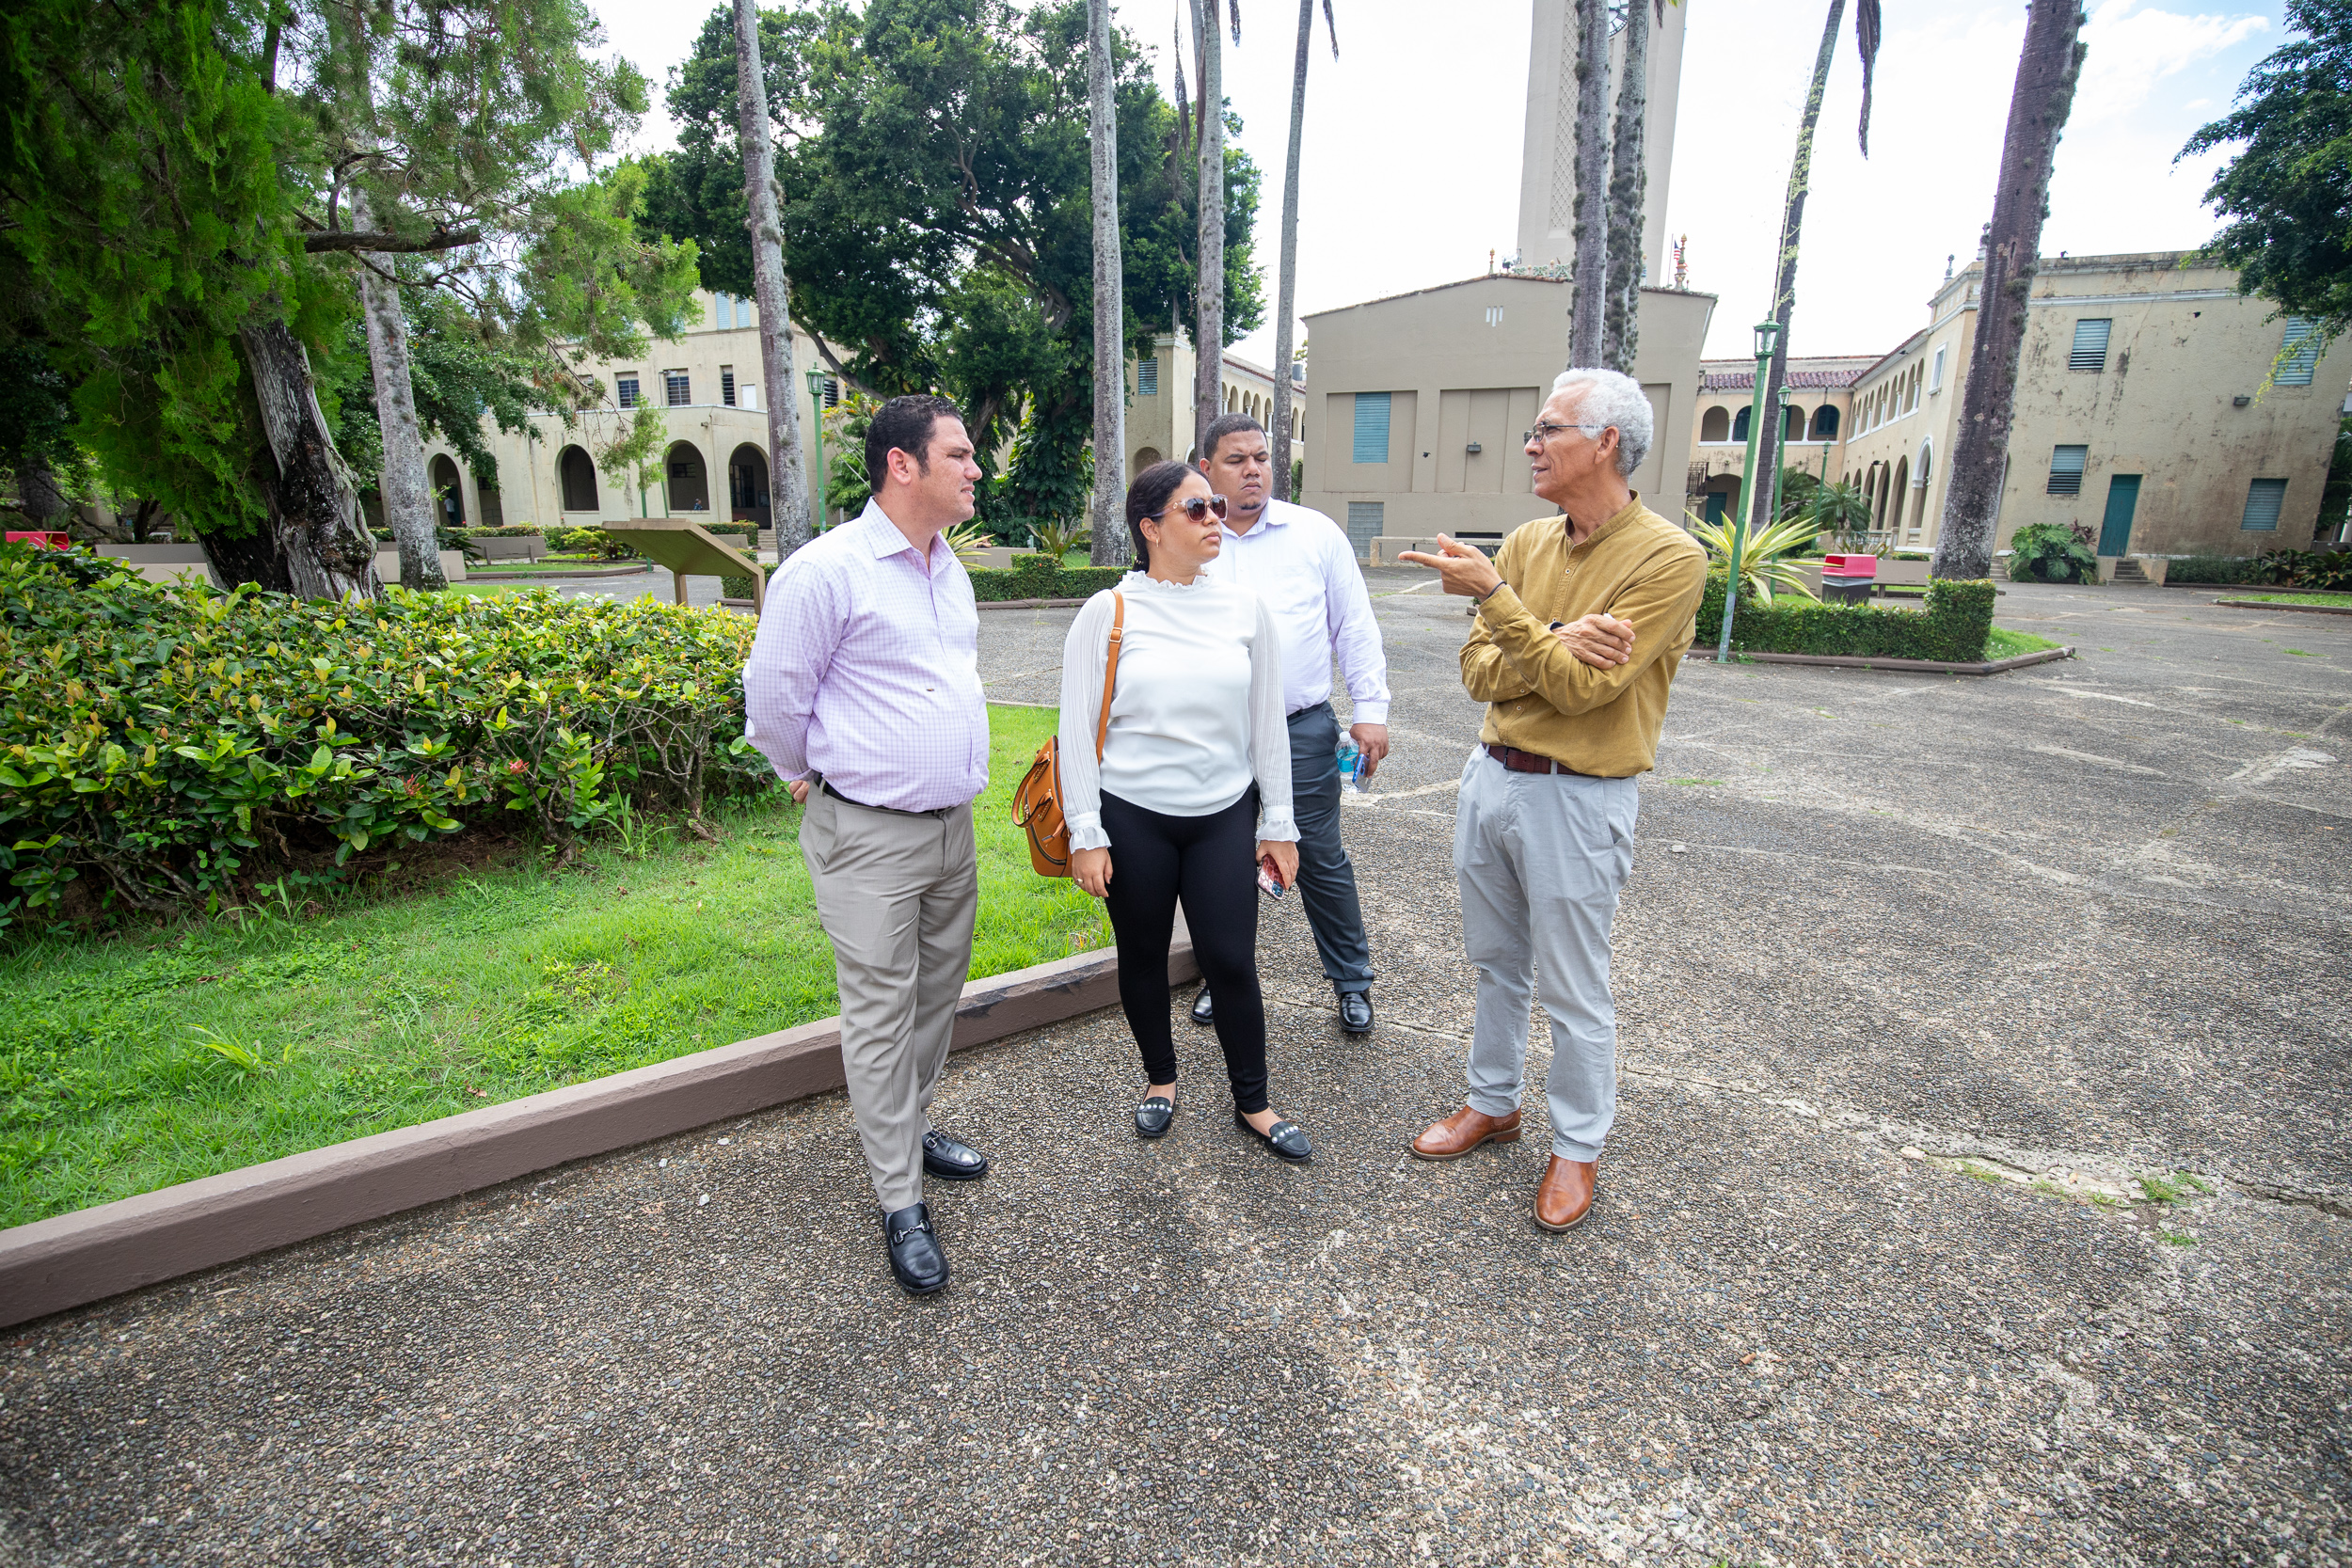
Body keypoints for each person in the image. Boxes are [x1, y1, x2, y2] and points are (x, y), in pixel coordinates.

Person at [1397, 368, 1708, 1233]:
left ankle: (1578, 1145)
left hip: (1580, 798)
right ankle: (1492, 1103)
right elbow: (1475, 673)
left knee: (1575, 987)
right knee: (1497, 965)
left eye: (1548, 429)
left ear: (1605, 442)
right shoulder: (1531, 542)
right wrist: (1555, 635)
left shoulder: (1670, 557)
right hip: (1491, 778)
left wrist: (1501, 604)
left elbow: (1579, 695)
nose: (1530, 444)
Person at [741, 394, 995, 1296]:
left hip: (950, 832)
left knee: (937, 995)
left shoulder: (947, 568)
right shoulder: (827, 572)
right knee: (881, 1011)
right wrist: (805, 769)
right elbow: (773, 698)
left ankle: (907, 1123)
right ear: (903, 464)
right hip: (868, 837)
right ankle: (899, 1197)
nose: (975, 468)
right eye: (960, 454)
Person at [1057, 461, 1310, 1162]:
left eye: (1217, 506)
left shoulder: (1243, 607)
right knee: (1141, 957)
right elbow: (1074, 729)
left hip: (1222, 813)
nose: (1215, 519)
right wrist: (1087, 832)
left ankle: (1254, 1101)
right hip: (1133, 814)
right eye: (1196, 509)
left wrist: (1279, 823)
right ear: (1150, 527)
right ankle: (1160, 1080)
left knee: (1231, 959)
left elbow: (1268, 725)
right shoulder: (1107, 612)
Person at [1189, 413, 1391, 1037]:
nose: (1253, 469)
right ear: (1206, 469)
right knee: (1218, 863)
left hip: (1300, 730)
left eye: (1261, 458)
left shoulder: (1314, 534)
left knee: (1319, 856)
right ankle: (1221, 978)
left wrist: (1370, 711)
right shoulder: (1188, 536)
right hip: (1214, 733)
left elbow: (1352, 625)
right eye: (1236, 459)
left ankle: (1352, 980)